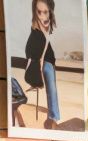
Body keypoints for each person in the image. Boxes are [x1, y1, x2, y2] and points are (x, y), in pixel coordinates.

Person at [22, 0, 61, 129]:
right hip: (41, 62)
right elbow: (29, 49)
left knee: (52, 89)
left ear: (50, 11)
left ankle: (53, 118)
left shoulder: (52, 28)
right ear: (35, 11)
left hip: (48, 61)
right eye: (39, 12)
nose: (42, 16)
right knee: (50, 86)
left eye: (45, 12)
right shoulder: (34, 28)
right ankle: (53, 117)